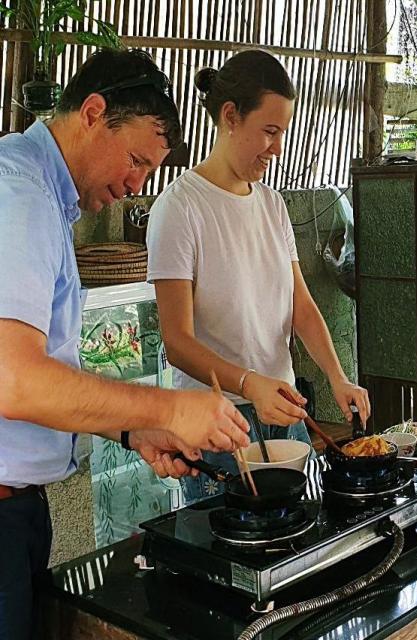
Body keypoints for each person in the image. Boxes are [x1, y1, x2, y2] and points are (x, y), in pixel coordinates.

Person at [0, 48, 251, 640]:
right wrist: (170, 407)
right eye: (136, 160)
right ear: (92, 113)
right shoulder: (20, 194)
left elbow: (41, 379)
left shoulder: (41, 196)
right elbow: (14, 379)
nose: (138, 184)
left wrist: (132, 429)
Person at [146, 49, 370, 502]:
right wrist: (250, 384)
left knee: (303, 529)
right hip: (219, 422)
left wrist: (337, 376)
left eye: (282, 133)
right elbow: (177, 342)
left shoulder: (271, 204)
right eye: (269, 131)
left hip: (283, 407)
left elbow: (300, 307)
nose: (277, 148)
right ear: (230, 116)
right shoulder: (179, 208)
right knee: (232, 540)